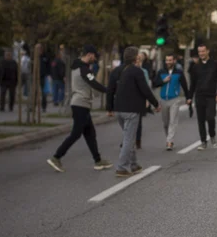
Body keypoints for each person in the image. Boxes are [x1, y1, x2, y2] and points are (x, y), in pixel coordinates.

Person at [47, 44, 113, 172]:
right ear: (89, 55)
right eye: (94, 56)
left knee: (90, 134)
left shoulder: (78, 67)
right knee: (76, 133)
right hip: (80, 104)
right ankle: (56, 157)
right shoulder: (83, 69)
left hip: (82, 104)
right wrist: (109, 90)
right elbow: (93, 83)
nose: (95, 58)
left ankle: (98, 160)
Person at [113, 47, 160, 177]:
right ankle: (122, 167)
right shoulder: (137, 71)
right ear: (135, 58)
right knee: (128, 138)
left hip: (119, 109)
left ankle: (133, 164)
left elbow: (111, 88)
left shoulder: (118, 70)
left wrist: (109, 107)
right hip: (131, 110)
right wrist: (155, 104)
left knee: (129, 136)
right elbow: (145, 90)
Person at [188, 42, 217, 150]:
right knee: (201, 120)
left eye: (203, 51)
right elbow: (192, 84)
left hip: (211, 96)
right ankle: (203, 141)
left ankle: (212, 135)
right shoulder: (195, 66)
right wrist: (189, 97)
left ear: (207, 51)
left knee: (210, 117)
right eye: (199, 52)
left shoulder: (215, 64)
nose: (201, 53)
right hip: (199, 96)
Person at [153, 53, 189, 151]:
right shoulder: (161, 72)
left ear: (174, 61)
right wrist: (163, 81)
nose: (168, 62)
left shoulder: (179, 72)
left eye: (170, 60)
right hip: (163, 99)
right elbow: (154, 84)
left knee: (173, 121)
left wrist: (188, 97)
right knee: (166, 123)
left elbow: (184, 85)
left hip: (175, 99)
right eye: (167, 60)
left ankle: (169, 141)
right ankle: (169, 138)